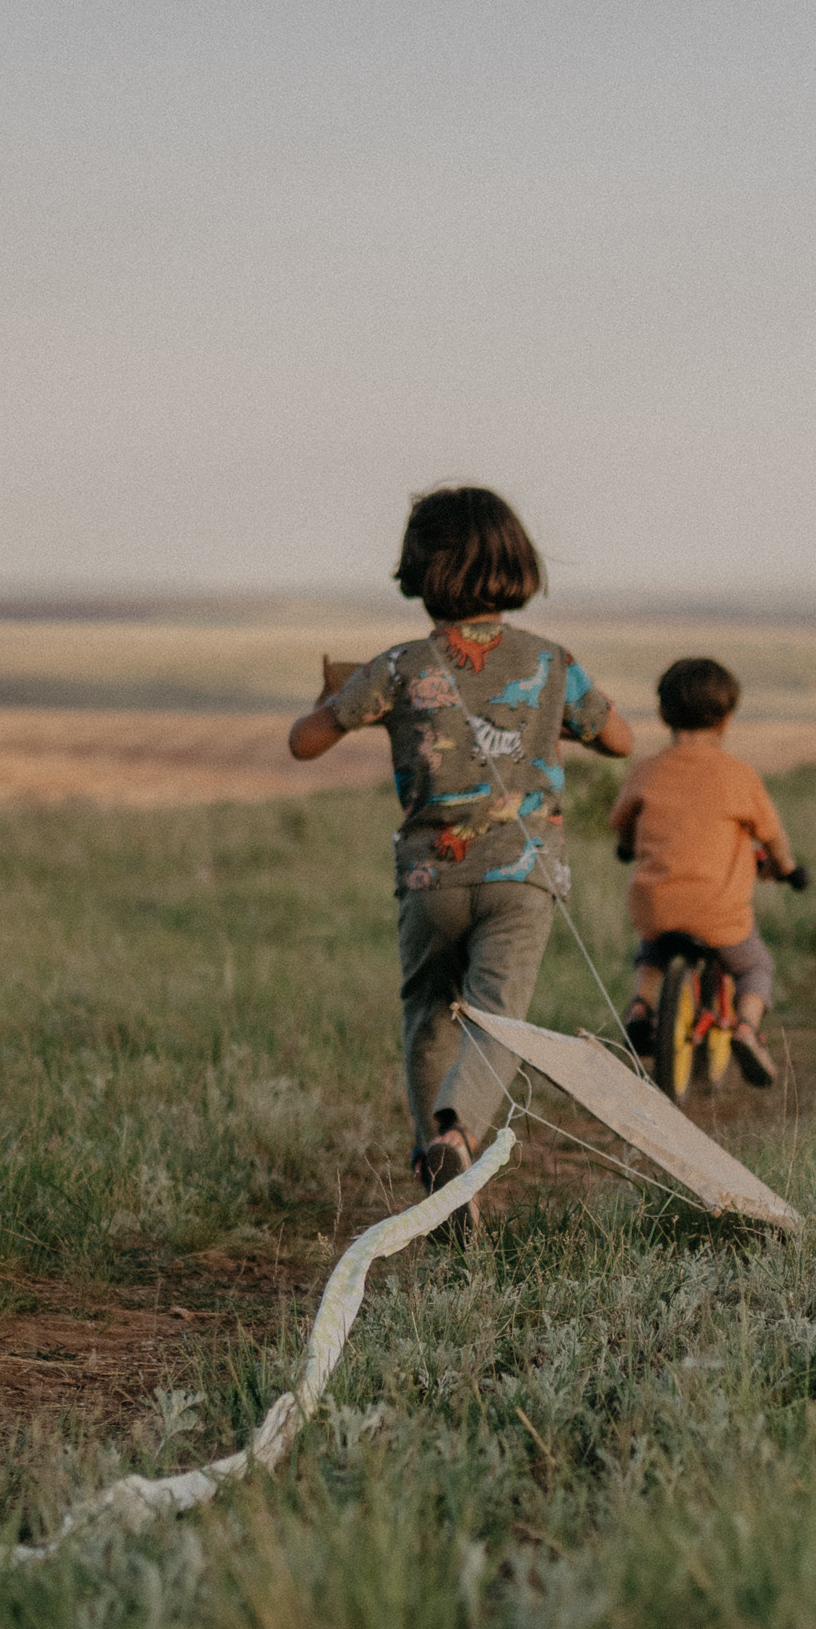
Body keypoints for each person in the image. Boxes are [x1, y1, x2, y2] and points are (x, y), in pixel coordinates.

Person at [289, 485, 633, 1189]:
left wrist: (336, 699)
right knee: (497, 1017)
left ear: (419, 573)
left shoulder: (398, 665)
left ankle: (434, 1163)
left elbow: (304, 743)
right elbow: (620, 740)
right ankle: (459, 1131)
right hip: (522, 876)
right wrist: (561, 722)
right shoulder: (551, 661)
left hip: (429, 880)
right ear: (518, 564)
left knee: (428, 1014)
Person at [612, 658, 801, 1091]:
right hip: (718, 913)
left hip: (656, 906)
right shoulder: (739, 776)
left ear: (662, 715)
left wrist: (627, 846)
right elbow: (773, 839)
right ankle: (748, 1030)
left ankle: (641, 1007)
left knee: (653, 948)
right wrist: (786, 870)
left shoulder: (647, 770)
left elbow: (622, 821)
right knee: (755, 966)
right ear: (728, 718)